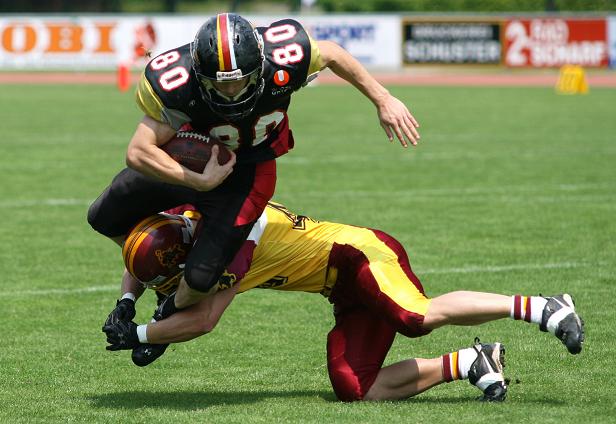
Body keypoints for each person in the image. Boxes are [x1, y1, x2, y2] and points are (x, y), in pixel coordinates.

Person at [88, 13, 421, 320]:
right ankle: (168, 260)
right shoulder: (176, 80)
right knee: (103, 215)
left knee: (201, 279)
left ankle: (167, 310)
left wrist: (383, 98)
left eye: (238, 81)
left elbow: (332, 53)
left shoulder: (286, 55)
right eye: (219, 83)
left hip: (247, 173)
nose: (231, 91)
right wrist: (195, 180)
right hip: (194, 159)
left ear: (259, 62)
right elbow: (138, 151)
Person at [102, 202, 585, 402]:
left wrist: (141, 333)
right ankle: (470, 363)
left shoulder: (230, 242)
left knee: (414, 316)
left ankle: (541, 306)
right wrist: (128, 301)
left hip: (359, 255)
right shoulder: (180, 220)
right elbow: (143, 252)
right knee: (355, 387)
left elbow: (204, 318)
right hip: (340, 290)